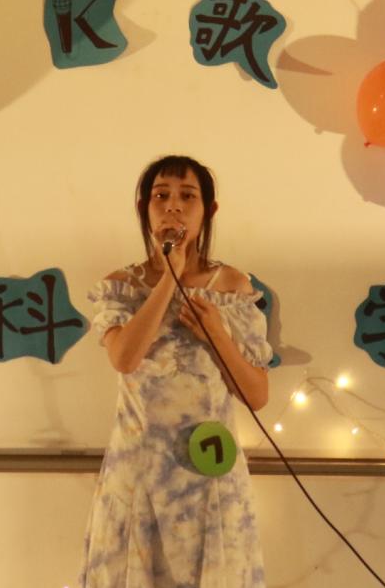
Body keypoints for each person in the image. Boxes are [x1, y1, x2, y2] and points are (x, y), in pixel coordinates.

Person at [79, 155, 272, 587]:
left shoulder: (231, 286)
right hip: (138, 477)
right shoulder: (122, 285)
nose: (173, 206)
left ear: (209, 210)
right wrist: (171, 277)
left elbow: (257, 395)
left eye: (188, 196)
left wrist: (216, 332)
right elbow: (124, 358)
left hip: (211, 479)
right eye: (160, 196)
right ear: (143, 208)